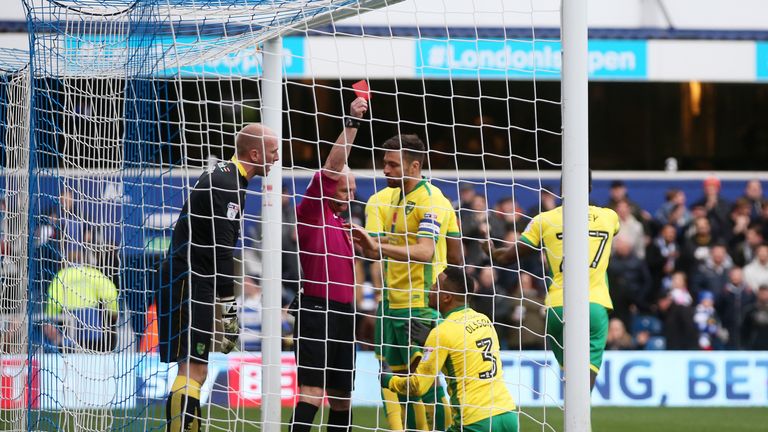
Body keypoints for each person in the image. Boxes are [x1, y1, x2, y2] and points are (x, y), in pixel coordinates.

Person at [157, 123, 279, 432]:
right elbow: (222, 252)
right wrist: (228, 310)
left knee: (196, 370)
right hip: (188, 281)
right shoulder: (227, 184)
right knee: (192, 368)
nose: (277, 157)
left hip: (191, 279)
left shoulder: (227, 176)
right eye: (274, 151)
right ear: (255, 153)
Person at [352, 134, 461, 431]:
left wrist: (378, 248)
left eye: (391, 164)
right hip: (392, 306)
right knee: (400, 385)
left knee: (426, 383)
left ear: (414, 166)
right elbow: (402, 243)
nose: (384, 170)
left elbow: (426, 251)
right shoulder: (399, 198)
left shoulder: (431, 200)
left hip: (419, 306)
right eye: (383, 163)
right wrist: (370, 239)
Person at [486, 171, 617, 389]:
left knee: (571, 375)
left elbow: (509, 257)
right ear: (591, 188)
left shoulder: (544, 220)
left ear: (562, 191)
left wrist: (492, 252)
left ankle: (573, 417)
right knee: (586, 373)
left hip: (558, 306)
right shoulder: (609, 217)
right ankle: (581, 420)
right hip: (594, 303)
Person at [289, 97, 368, 432]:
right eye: (345, 187)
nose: (350, 193)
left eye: (353, 189)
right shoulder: (313, 211)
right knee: (311, 393)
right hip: (317, 310)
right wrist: (352, 122)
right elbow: (333, 166)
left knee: (342, 397)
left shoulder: (343, 225)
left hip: (345, 313)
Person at [380, 267, 518, 432]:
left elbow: (418, 386)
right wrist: (431, 341)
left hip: (474, 420)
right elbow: (463, 349)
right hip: (508, 414)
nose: (430, 288)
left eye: (436, 285)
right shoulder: (484, 320)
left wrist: (389, 381)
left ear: (446, 297)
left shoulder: (442, 333)